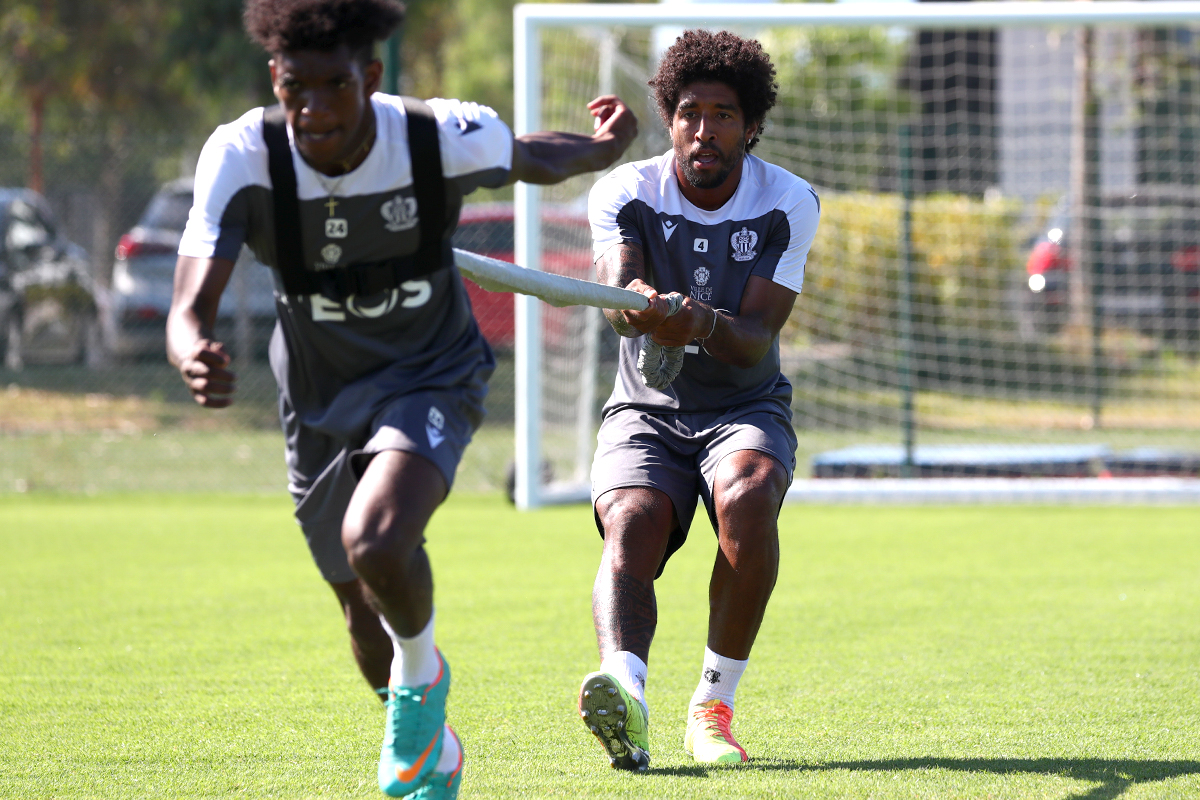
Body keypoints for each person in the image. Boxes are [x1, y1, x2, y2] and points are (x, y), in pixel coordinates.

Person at [166, 1, 637, 796]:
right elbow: (188, 307)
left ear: (372, 76)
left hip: (429, 372)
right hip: (316, 396)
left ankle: (423, 678)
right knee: (359, 608)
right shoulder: (243, 155)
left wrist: (603, 146)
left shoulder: (432, 137)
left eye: (334, 86)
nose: (314, 110)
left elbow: (532, 156)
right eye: (295, 88)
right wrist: (191, 352)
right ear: (274, 79)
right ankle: (431, 738)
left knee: (377, 542)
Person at [577, 29, 819, 770]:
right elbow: (619, 299)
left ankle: (711, 708)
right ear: (669, 119)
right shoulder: (625, 192)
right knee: (632, 521)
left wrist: (701, 323)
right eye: (689, 112)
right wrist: (639, 303)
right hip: (645, 408)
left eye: (723, 114)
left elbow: (754, 340)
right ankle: (626, 694)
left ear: (752, 126)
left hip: (744, 404)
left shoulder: (788, 202)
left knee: (749, 492)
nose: (704, 130)